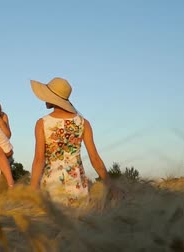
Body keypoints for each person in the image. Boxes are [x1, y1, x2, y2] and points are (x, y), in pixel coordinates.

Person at [29, 77, 123, 207]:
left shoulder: (42, 123)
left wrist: (32, 189)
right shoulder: (83, 123)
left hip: (51, 184)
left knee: (53, 224)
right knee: (78, 223)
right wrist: (112, 187)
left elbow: (39, 159)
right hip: (77, 184)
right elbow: (95, 159)